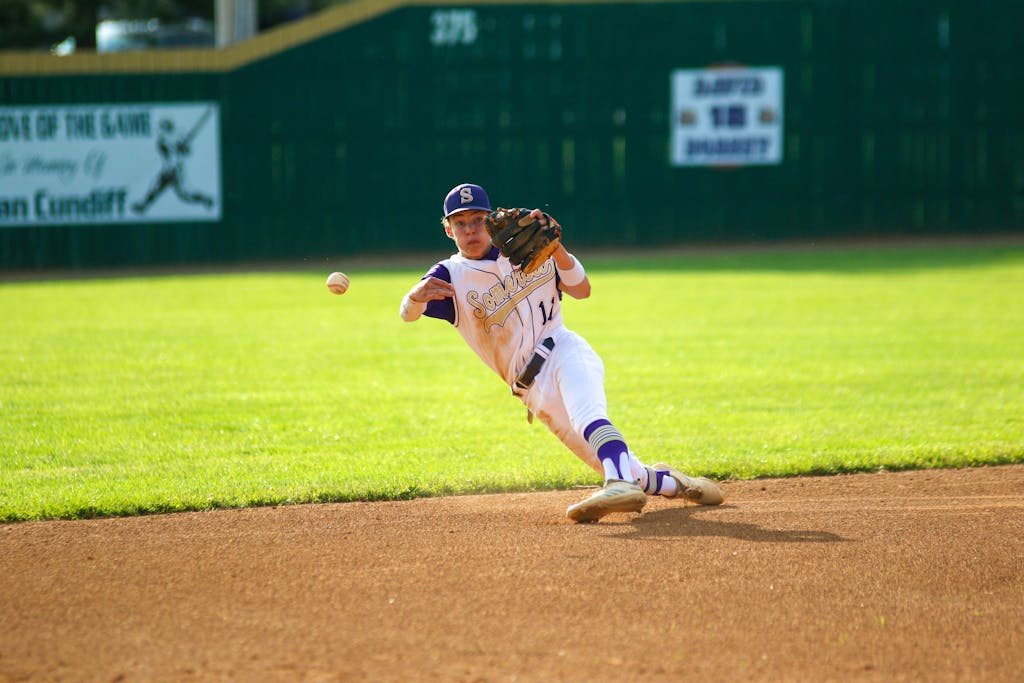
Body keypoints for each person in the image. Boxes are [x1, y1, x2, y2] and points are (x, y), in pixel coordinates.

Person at [399, 182, 724, 522]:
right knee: (626, 468)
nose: (470, 229)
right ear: (449, 230)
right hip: (532, 392)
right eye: (460, 222)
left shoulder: (526, 248)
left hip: (563, 350)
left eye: (478, 219)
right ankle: (677, 484)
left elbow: (582, 290)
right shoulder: (449, 275)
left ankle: (617, 483)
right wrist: (416, 296)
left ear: (491, 219)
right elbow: (408, 314)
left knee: (589, 418)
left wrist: (557, 250)